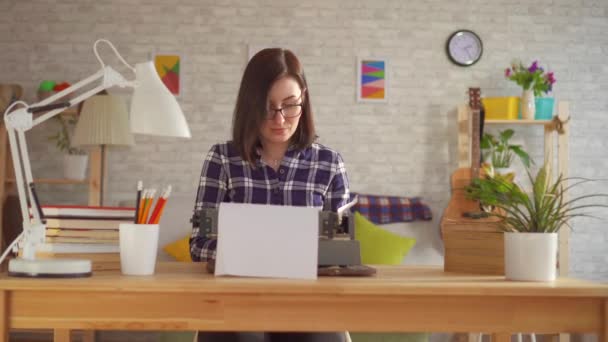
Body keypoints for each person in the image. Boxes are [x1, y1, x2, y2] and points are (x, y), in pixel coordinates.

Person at [190, 48, 350, 342]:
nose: (279, 119)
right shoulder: (223, 159)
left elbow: (341, 247)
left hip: (310, 305)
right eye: (267, 107)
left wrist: (254, 253)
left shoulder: (329, 163)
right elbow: (200, 243)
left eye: (290, 105)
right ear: (250, 106)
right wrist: (281, 256)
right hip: (236, 302)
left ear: (304, 99)